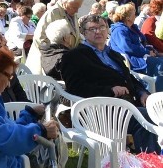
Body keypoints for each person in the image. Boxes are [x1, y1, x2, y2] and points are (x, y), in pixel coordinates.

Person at [63, 14, 160, 153]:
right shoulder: (74, 56)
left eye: (102, 27)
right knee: (146, 118)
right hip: (101, 110)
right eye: (92, 29)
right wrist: (110, 90)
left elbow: (129, 79)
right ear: (83, 33)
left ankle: (154, 162)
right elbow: (75, 88)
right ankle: (150, 166)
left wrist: (142, 93)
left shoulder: (113, 54)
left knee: (157, 112)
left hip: (127, 105)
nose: (98, 31)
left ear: (107, 29)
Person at [26, 0, 83, 75]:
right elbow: (39, 37)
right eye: (74, 7)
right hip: (50, 61)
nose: (77, 11)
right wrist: (53, 53)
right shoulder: (53, 13)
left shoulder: (72, 13)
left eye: (78, 7)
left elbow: (76, 34)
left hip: (66, 57)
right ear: (65, 3)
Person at [108, 3, 163, 88]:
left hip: (142, 55)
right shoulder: (119, 30)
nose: (136, 15)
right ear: (128, 18)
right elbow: (127, 48)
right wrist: (146, 51)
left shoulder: (132, 27)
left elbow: (140, 43)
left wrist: (150, 50)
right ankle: (158, 93)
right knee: (161, 64)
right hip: (134, 59)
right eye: (134, 14)